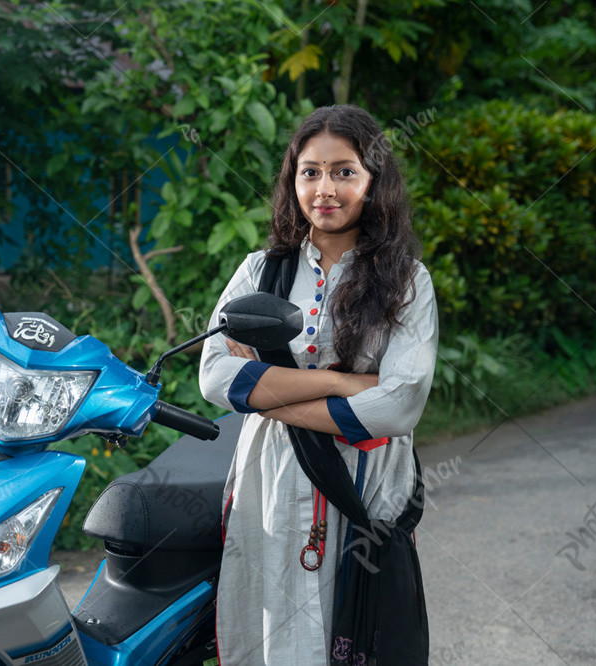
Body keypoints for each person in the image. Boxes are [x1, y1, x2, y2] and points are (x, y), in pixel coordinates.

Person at [199, 104, 438, 665]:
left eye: (344, 171)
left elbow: (399, 404)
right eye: (310, 171)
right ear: (292, 180)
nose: (325, 188)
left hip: (365, 478)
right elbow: (215, 375)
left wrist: (266, 396)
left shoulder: (406, 280)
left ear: (374, 181)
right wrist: (345, 381)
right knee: (271, 616)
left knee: (351, 620)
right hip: (272, 476)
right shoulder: (261, 271)